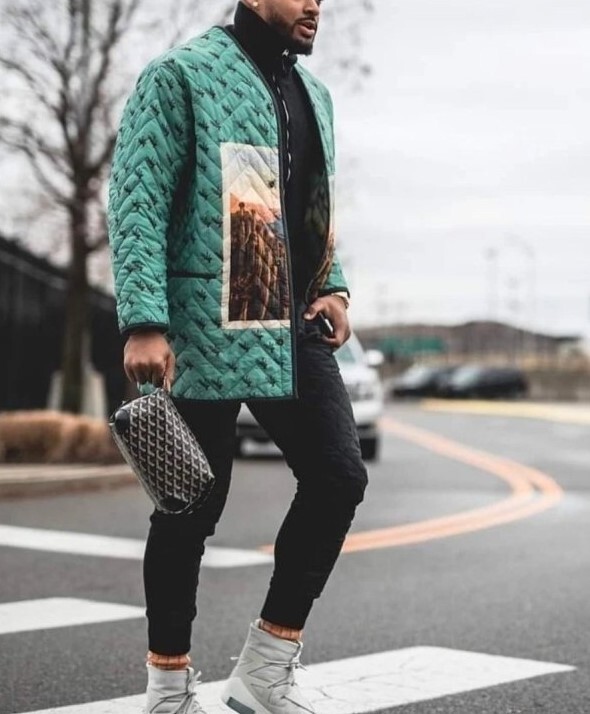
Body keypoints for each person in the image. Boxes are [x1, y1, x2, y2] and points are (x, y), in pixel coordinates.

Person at [108, 1, 368, 712]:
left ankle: (264, 671)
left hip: (292, 323)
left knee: (339, 476)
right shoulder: (182, 75)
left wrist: (334, 286)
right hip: (203, 324)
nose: (315, 4)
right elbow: (138, 200)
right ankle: (168, 688)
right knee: (190, 503)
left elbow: (314, 207)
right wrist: (145, 320)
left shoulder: (314, 94)